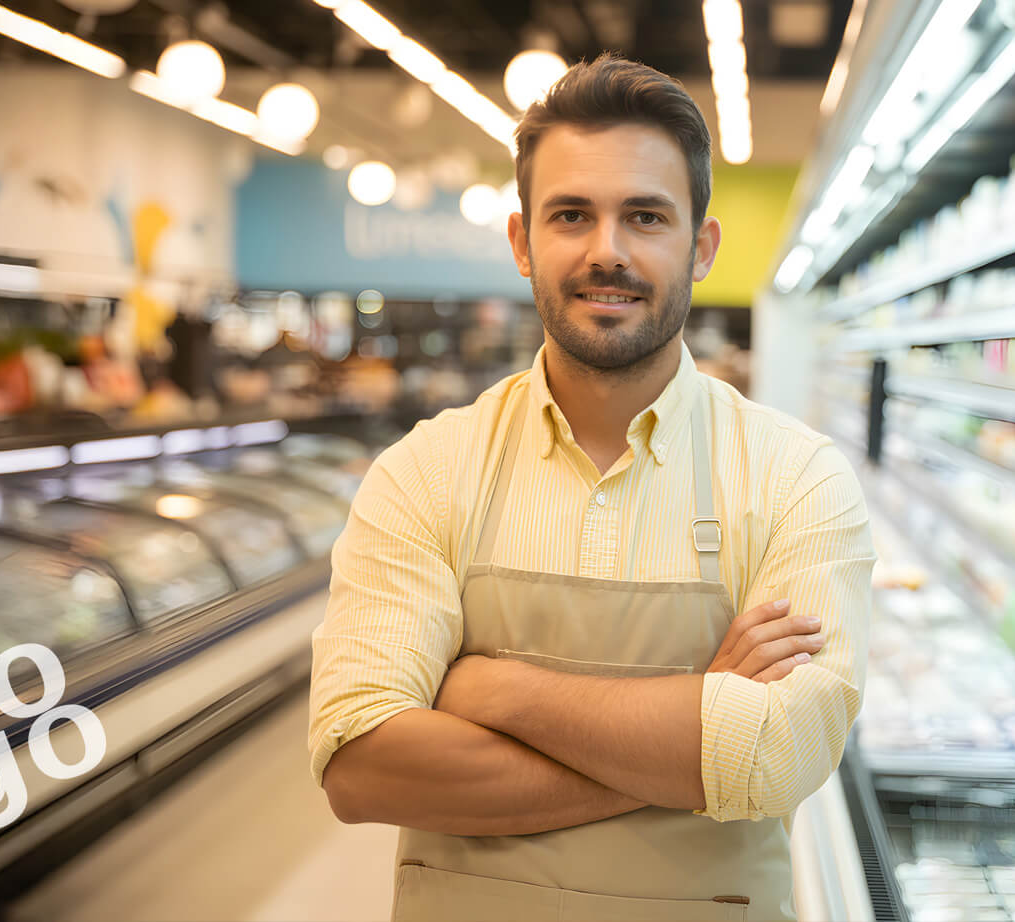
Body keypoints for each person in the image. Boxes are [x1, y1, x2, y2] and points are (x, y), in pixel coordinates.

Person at [307, 53, 874, 922]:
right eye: (572, 215)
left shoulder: (798, 478)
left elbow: (778, 755)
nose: (607, 251)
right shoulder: (425, 471)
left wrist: (497, 690)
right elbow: (359, 766)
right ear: (523, 242)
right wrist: (691, 741)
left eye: (645, 216)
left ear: (701, 244)